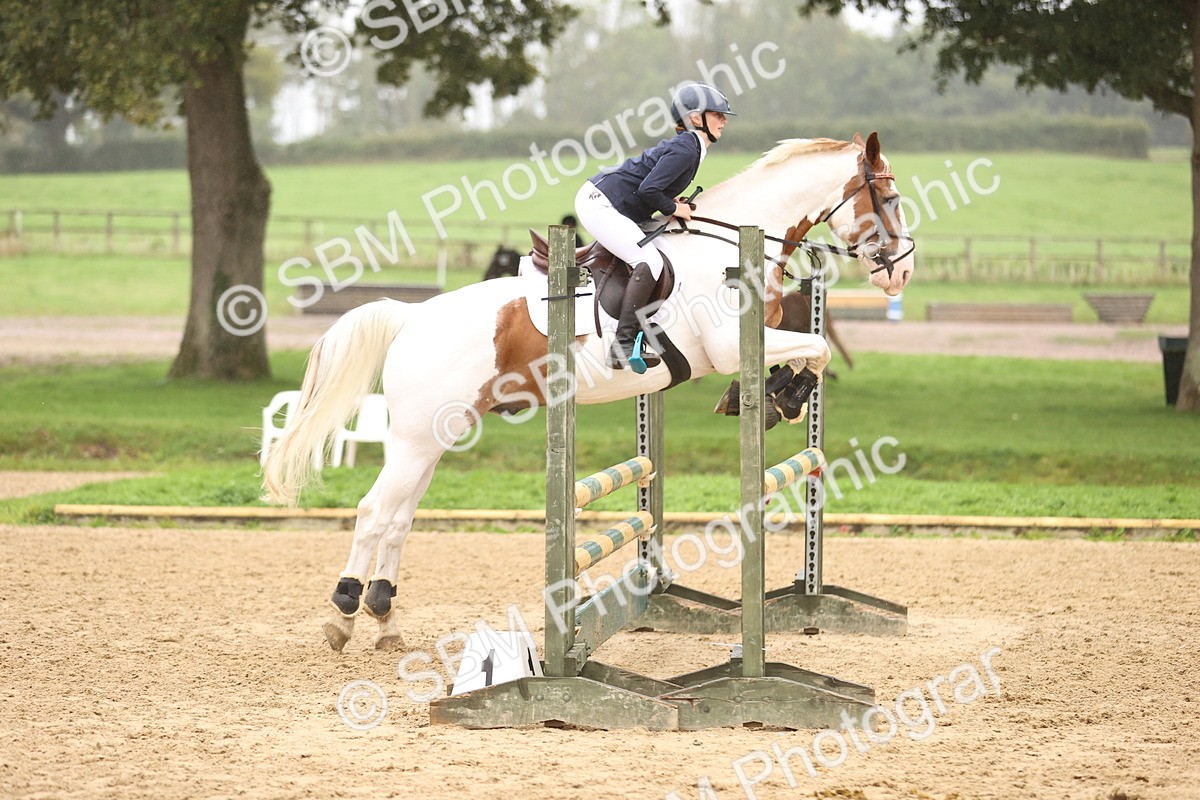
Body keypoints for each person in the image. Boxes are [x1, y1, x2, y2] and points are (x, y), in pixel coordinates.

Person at [574, 82, 734, 372]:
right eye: (718, 114)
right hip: (601, 203)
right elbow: (649, 190)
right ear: (696, 118)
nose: (724, 120)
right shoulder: (688, 147)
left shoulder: (692, 146)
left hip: (615, 201)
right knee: (648, 260)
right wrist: (674, 207)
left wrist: (671, 200)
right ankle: (622, 345)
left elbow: (654, 184)